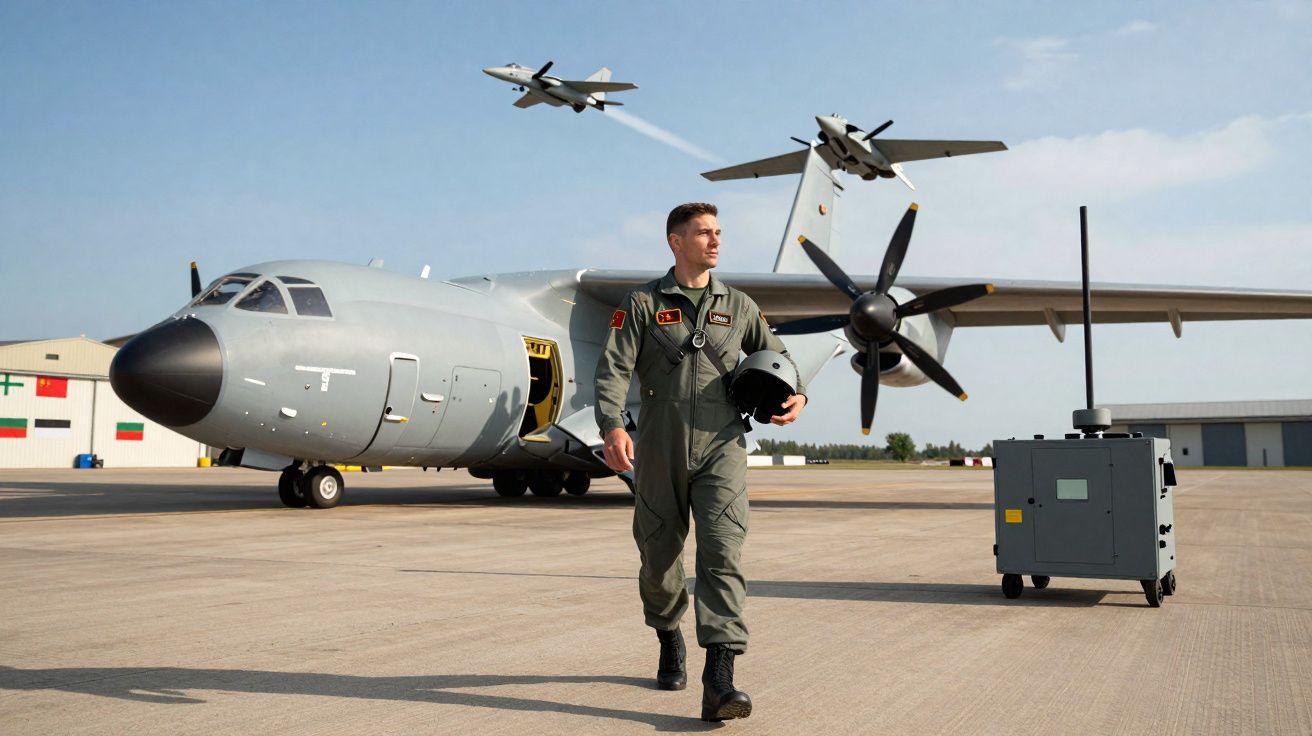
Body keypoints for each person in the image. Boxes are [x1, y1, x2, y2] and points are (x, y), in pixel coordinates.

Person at [593, 202, 806, 722]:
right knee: (659, 558)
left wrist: (798, 394)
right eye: (703, 233)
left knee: (723, 552)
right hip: (660, 446)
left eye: (718, 232)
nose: (715, 241)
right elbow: (612, 368)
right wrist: (614, 425)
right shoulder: (641, 304)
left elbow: (781, 358)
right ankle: (668, 633)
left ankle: (721, 679)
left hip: (722, 446)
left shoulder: (739, 306)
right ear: (675, 241)